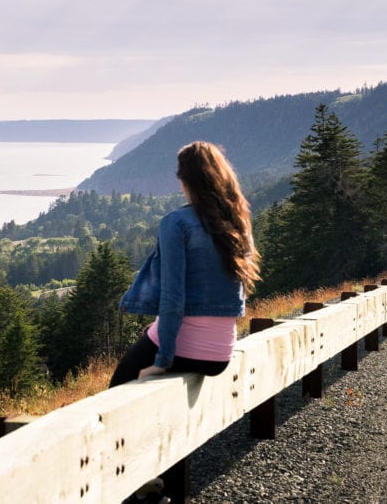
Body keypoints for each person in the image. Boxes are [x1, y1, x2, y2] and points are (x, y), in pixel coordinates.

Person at [112, 141, 260, 503]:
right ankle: (164, 488)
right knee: (170, 409)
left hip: (184, 345)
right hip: (220, 352)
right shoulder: (236, 218)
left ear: (185, 180)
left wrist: (161, 362)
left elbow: (173, 300)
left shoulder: (176, 222)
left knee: (117, 394)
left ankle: (135, 486)